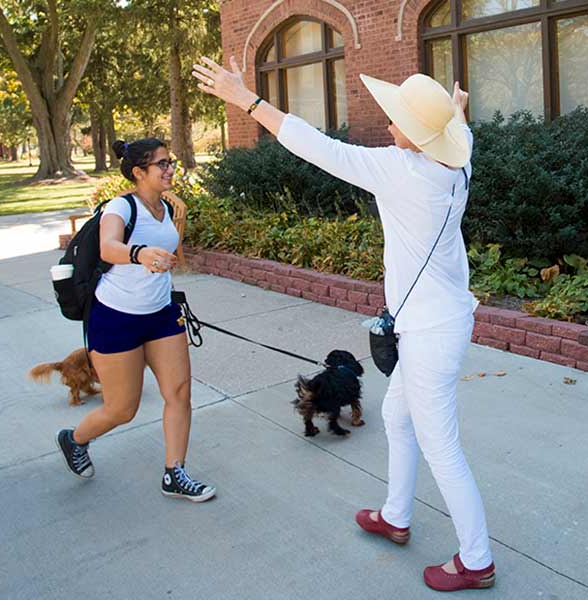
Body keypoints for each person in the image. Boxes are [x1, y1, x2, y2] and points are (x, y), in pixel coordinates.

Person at [192, 57, 495, 591]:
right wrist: (455, 113)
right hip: (436, 322)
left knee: (442, 446)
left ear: (419, 137)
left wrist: (246, 101)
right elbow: (460, 132)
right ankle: (396, 517)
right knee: (399, 422)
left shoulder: (400, 172)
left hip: (430, 333)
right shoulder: (459, 162)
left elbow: (317, 146)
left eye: (398, 118)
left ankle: (477, 560)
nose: (387, 124)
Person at [55, 138, 216, 503]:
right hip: (116, 317)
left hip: (161, 314)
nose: (171, 168)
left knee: (179, 394)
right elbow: (108, 247)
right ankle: (74, 439)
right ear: (139, 172)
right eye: (162, 164)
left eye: (170, 162)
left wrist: (180, 219)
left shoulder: (167, 206)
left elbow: (173, 256)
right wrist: (139, 253)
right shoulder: (121, 207)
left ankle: (175, 473)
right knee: (121, 409)